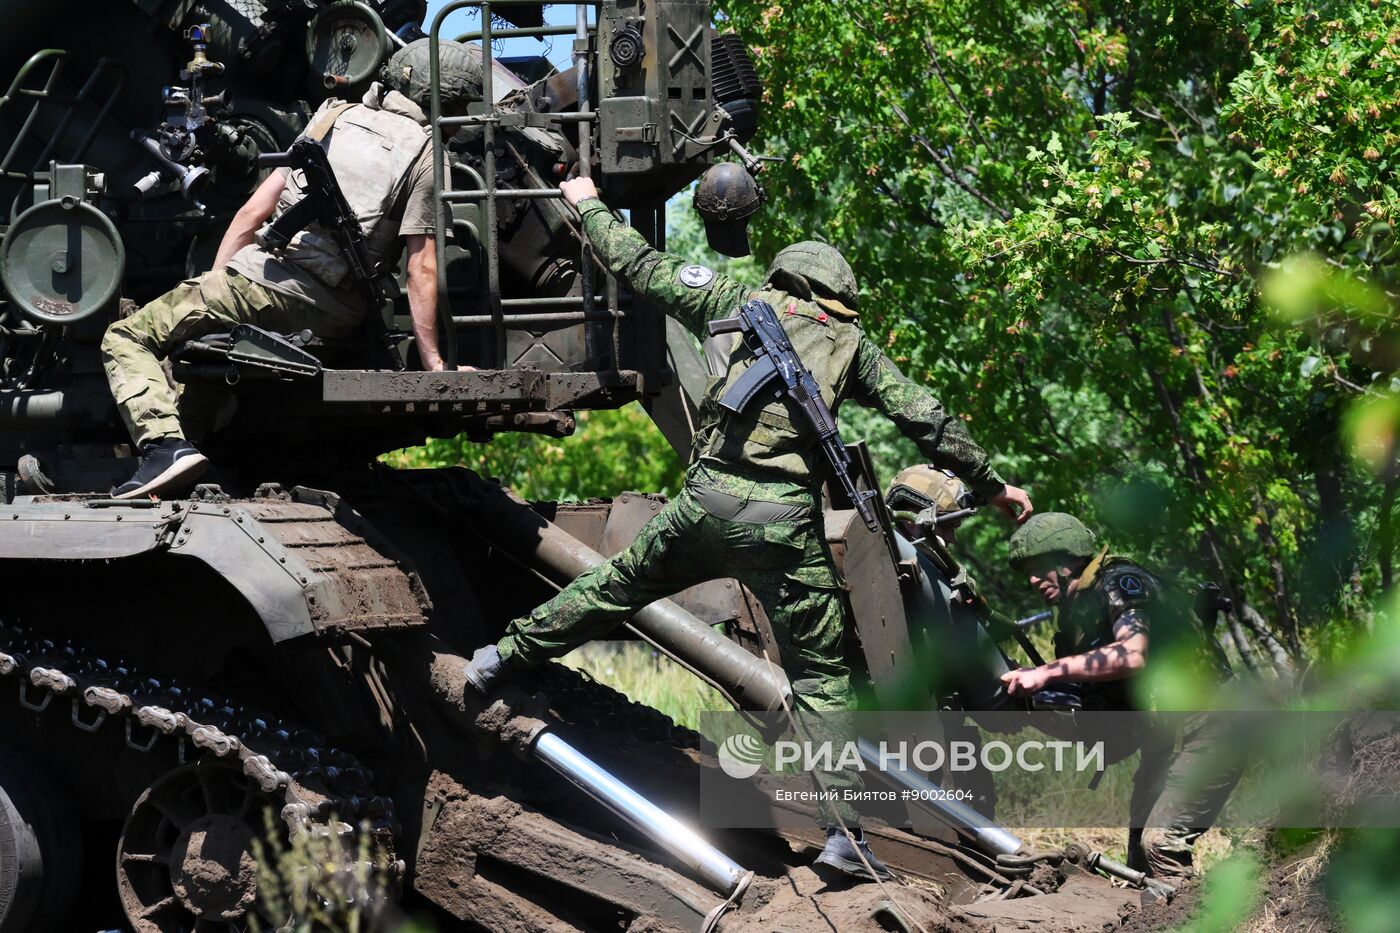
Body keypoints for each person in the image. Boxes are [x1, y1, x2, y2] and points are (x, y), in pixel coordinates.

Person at [464, 174, 1034, 881]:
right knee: (821, 681)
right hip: (785, 527)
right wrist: (992, 485)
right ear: (839, 293)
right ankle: (842, 839)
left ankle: (500, 659)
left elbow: (637, 263)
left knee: (611, 588)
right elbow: (926, 417)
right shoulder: (851, 344)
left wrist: (586, 202)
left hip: (704, 505)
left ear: (784, 274)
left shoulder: (733, 298)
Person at [101, 39, 481, 499]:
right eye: (458, 106)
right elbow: (421, 266)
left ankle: (163, 447)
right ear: (440, 101)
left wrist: (218, 282)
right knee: (211, 356)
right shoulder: (428, 154)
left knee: (127, 336)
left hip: (269, 286)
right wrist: (434, 363)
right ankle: (192, 455)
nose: (460, 116)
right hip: (337, 314)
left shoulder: (333, 117)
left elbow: (252, 213)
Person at [1001, 512, 1242, 877]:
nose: (1032, 581)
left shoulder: (1119, 582)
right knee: (1140, 860)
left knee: (1161, 845)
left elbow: (1132, 654)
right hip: (1169, 736)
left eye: (1038, 568)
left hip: (1213, 725)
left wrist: (1045, 673)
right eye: (1027, 573)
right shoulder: (1078, 609)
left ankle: (1191, 909)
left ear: (1067, 559)